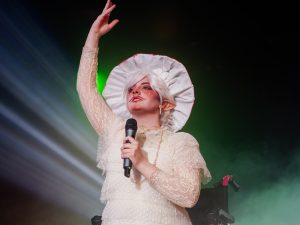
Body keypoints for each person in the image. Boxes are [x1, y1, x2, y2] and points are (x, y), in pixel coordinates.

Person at [76, 0, 211, 224]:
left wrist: (140, 162)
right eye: (131, 89)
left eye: (146, 87)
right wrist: (93, 39)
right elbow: (85, 89)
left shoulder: (181, 142)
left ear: (165, 104)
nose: (135, 91)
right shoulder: (116, 132)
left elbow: (188, 196)